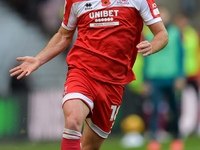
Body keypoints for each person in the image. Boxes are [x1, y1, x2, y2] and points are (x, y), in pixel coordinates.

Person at [9, 0, 168, 149]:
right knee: (73, 120)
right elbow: (64, 35)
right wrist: (39, 59)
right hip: (82, 72)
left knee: (90, 146)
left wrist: (152, 45)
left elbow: (162, 34)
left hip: (113, 83)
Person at [142, 7, 185, 150]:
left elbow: (180, 55)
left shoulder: (175, 33)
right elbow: (145, 59)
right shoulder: (148, 34)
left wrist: (180, 75)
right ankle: (154, 140)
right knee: (154, 110)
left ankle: (177, 138)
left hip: (172, 77)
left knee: (174, 109)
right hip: (154, 77)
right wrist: (145, 79)